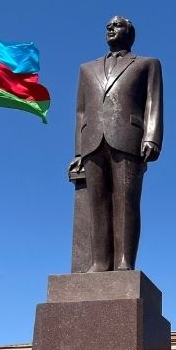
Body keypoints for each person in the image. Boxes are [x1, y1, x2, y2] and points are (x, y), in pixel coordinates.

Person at [68, 16, 163, 272]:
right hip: (92, 140)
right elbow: (80, 112)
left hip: (128, 138)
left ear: (130, 33)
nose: (111, 28)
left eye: (118, 25)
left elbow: (153, 103)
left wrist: (151, 137)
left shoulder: (147, 64)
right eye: (108, 26)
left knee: (126, 202)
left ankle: (124, 263)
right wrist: (78, 151)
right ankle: (99, 262)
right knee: (96, 203)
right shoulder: (86, 69)